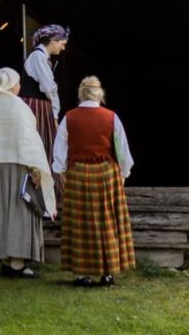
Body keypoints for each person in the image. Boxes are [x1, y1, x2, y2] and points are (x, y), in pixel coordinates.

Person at [0, 67, 58, 278]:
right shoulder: (18, 107)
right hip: (16, 166)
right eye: (17, 83)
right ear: (10, 85)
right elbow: (28, 142)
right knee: (18, 210)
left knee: (0, 210)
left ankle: (6, 260)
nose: (19, 86)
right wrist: (35, 168)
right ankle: (16, 263)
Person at [53, 76, 136, 287]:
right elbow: (122, 148)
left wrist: (61, 170)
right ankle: (107, 274)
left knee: (81, 223)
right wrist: (123, 173)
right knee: (106, 222)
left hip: (79, 175)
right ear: (100, 94)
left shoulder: (69, 118)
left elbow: (60, 148)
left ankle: (83, 275)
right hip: (106, 175)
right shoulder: (111, 117)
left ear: (81, 94)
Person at [21, 24, 69, 204]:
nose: (63, 48)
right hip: (38, 107)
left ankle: (49, 194)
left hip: (40, 106)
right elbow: (49, 88)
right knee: (46, 145)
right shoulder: (38, 57)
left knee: (47, 145)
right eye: (62, 43)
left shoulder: (43, 57)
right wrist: (55, 114)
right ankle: (47, 194)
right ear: (52, 41)